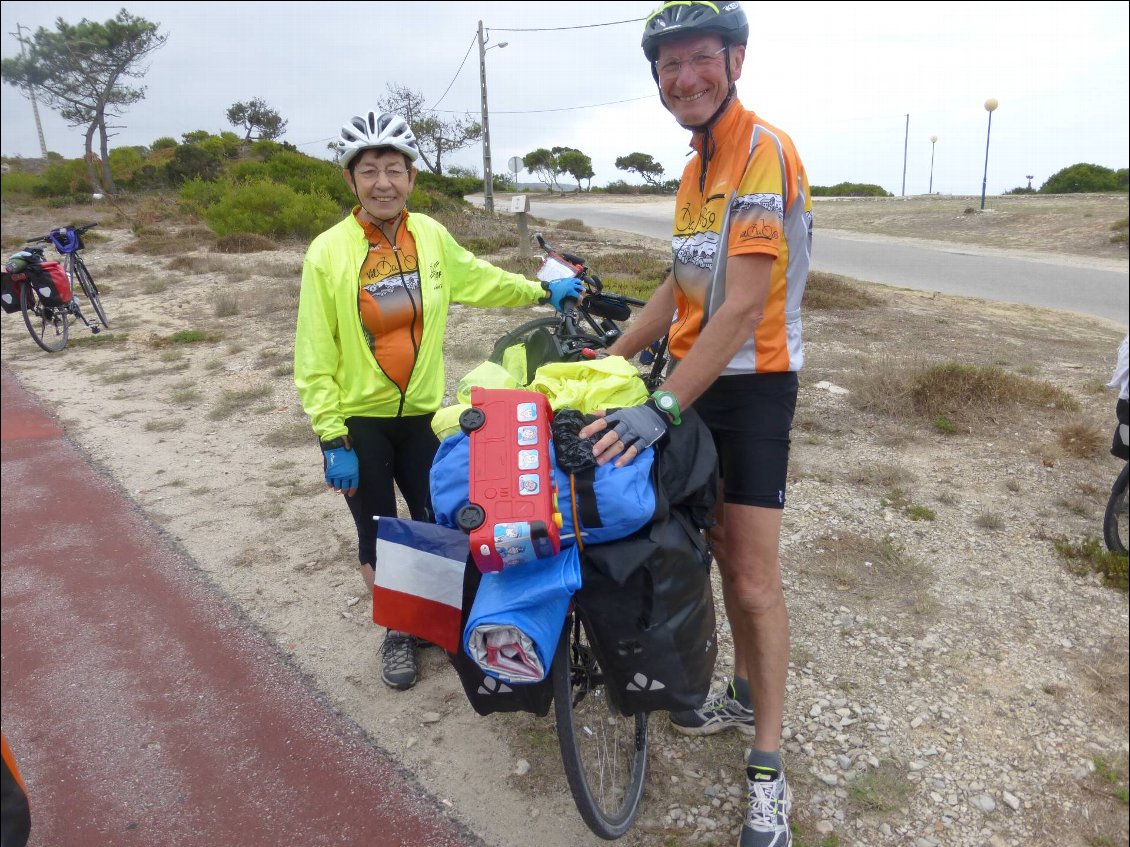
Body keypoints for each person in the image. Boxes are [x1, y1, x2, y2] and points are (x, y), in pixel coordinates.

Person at [579, 4, 812, 844]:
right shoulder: (693, 167)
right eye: (667, 66)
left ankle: (767, 765)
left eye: (699, 60)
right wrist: (617, 347)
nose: (684, 78)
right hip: (689, 382)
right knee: (708, 551)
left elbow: (744, 304)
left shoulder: (761, 150)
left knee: (752, 575)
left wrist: (663, 402)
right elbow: (682, 291)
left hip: (750, 388)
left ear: (736, 60)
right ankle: (740, 688)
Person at [294, 110, 582, 692]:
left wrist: (541, 289)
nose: (383, 183)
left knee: (442, 519)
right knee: (377, 531)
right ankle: (401, 631)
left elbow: (478, 278)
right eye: (369, 171)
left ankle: (443, 616)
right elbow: (313, 351)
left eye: (394, 170)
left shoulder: (430, 235)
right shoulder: (328, 252)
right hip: (362, 420)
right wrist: (331, 434)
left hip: (426, 414)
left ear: (412, 178)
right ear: (351, 180)